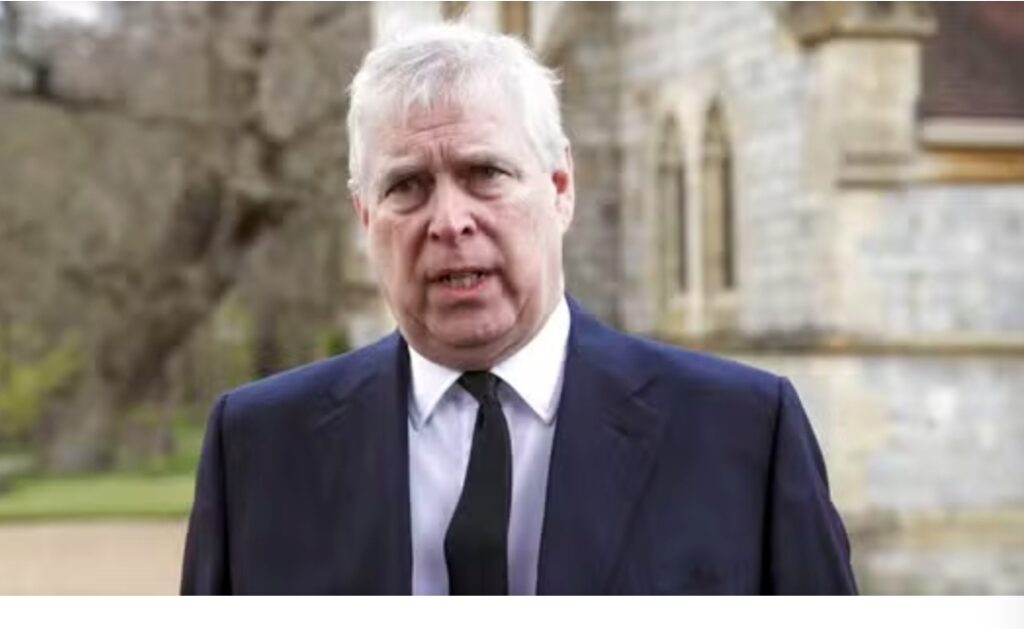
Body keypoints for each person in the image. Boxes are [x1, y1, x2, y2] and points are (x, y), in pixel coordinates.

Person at [181, 24, 857, 595]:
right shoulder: (257, 450)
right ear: (365, 216)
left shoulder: (744, 435)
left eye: (485, 174)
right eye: (407, 186)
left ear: (560, 188)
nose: (450, 220)